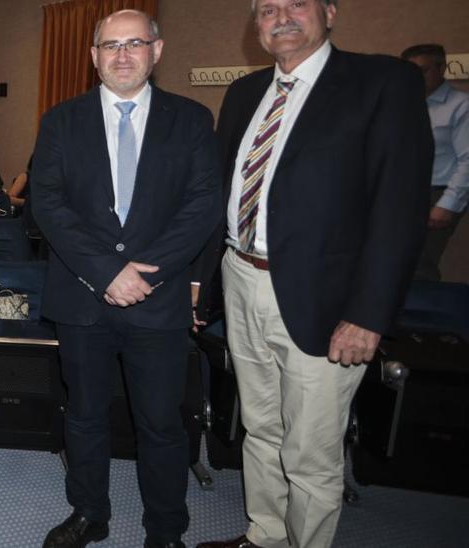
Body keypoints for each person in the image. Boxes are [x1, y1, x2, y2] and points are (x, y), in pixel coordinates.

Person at [194, 1, 432, 547]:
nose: (282, 16)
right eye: (267, 8)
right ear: (255, 25)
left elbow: (398, 210)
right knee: (260, 428)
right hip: (241, 278)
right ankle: (267, 534)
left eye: (296, 2)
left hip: (326, 300)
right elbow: (225, 195)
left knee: (310, 449)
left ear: (329, 12)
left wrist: (367, 315)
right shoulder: (245, 92)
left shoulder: (382, 83)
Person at [29, 10, 221, 548]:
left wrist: (146, 276)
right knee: (85, 416)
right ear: (93, 56)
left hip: (156, 304)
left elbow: (203, 206)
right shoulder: (61, 120)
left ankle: (165, 530)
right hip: (83, 298)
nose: (121, 54)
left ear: (156, 51)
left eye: (134, 43)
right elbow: (46, 203)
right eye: (110, 45)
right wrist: (107, 271)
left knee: (161, 424)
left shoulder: (192, 120)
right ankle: (89, 512)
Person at [401, 43, 468, 282]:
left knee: (421, 263)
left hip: (436, 194)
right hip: (404, 192)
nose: (417, 77)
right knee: (398, 259)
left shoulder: (461, 106)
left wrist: (447, 205)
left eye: (424, 70)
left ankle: (420, 317)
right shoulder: (404, 104)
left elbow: (467, 160)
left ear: (442, 68)